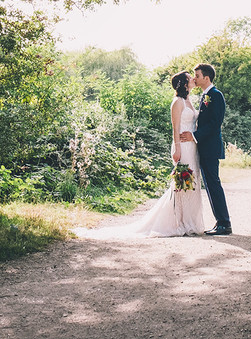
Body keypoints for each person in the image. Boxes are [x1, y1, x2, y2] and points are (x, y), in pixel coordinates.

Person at [74, 71, 204, 239]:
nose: (193, 79)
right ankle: (179, 222)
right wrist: (177, 149)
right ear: (184, 83)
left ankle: (190, 222)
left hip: (192, 147)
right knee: (182, 184)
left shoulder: (189, 100)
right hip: (182, 147)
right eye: (190, 78)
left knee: (192, 184)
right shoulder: (177, 102)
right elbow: (175, 128)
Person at [181, 62, 231, 236]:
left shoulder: (215, 95)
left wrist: (194, 136)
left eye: (197, 75)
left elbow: (214, 124)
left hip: (210, 148)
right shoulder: (205, 95)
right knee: (210, 185)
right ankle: (221, 222)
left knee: (213, 184)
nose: (195, 78)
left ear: (206, 78)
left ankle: (224, 223)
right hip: (204, 147)